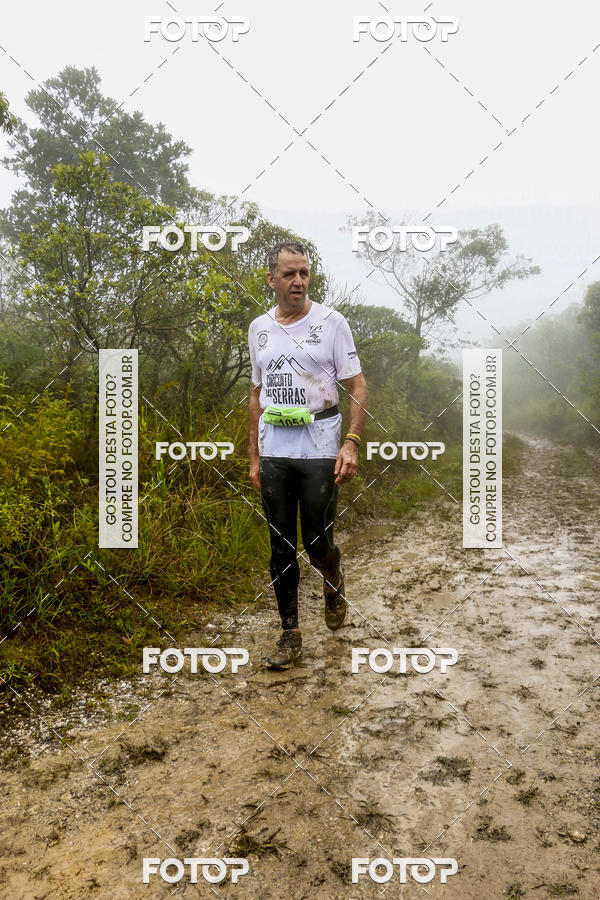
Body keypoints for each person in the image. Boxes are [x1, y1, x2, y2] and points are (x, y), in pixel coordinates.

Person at [248, 241, 368, 669]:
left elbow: (357, 387)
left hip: (319, 442)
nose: (297, 281)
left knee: (317, 540)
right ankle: (289, 634)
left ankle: (332, 580)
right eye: (288, 274)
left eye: (304, 273)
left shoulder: (332, 323)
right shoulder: (258, 327)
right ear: (271, 279)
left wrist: (351, 442)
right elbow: (256, 394)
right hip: (275, 447)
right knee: (280, 544)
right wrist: (254, 457)